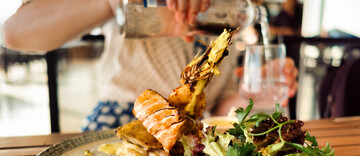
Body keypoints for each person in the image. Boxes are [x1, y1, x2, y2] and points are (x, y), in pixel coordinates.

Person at [3, 0, 298, 131]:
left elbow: (219, 108)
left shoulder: (230, 12)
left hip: (192, 135)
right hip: (122, 123)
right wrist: (113, 2)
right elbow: (15, 32)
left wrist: (251, 92)